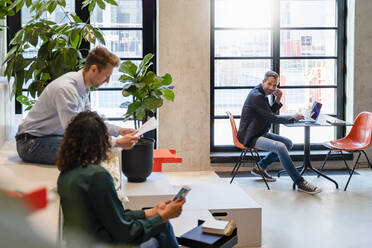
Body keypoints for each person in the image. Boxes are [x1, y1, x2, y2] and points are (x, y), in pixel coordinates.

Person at [57, 110, 185, 248]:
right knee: (162, 227)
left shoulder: (65, 174)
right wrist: (163, 217)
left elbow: (112, 217)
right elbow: (126, 234)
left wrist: (152, 212)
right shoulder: (97, 176)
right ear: (101, 142)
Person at [15, 47, 139, 165]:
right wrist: (116, 142)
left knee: (92, 146)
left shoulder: (82, 87)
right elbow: (76, 132)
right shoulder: (66, 89)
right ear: (94, 69)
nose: (108, 81)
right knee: (87, 149)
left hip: (48, 136)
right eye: (107, 75)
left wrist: (119, 131)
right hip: (30, 143)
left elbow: (90, 123)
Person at [237, 71, 321, 194]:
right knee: (281, 147)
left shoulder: (260, 93)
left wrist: (278, 99)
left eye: (274, 85)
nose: (271, 88)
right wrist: (292, 118)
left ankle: (260, 167)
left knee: (287, 143)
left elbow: (268, 113)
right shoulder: (257, 96)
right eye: (269, 84)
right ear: (263, 82)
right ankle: (300, 182)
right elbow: (272, 118)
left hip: (259, 132)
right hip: (250, 136)